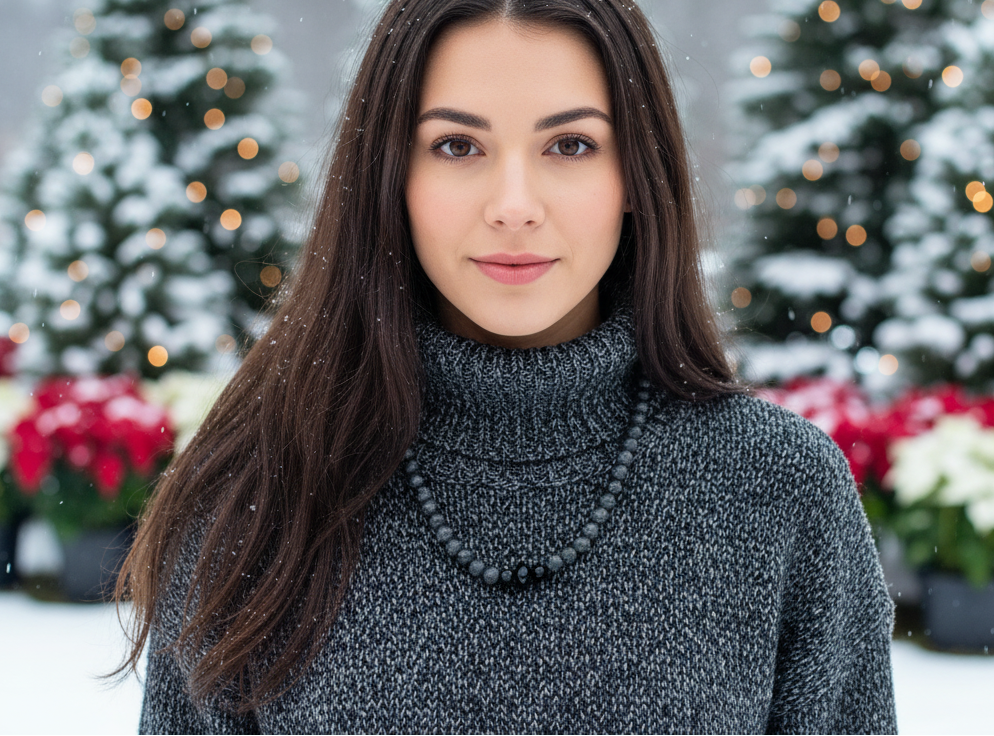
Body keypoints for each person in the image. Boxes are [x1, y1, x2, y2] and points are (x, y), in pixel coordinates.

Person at [115, 0, 898, 732]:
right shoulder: (255, 488)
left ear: (634, 174)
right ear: (392, 176)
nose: (513, 203)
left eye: (570, 144)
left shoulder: (779, 488)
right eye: (458, 145)